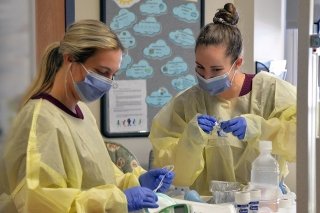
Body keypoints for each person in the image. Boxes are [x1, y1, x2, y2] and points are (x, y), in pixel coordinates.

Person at [0, 19, 174, 212]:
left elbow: (99, 175)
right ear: (69, 59)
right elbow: (40, 201)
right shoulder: (39, 119)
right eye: (101, 72)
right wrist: (116, 201)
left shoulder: (82, 113)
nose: (107, 83)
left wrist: (135, 182)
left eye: (112, 75)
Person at [149, 3, 296, 195]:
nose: (207, 77)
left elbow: (303, 139)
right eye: (200, 68)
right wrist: (190, 141)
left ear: (238, 63)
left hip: (263, 203)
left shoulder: (272, 92)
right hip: (208, 205)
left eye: (216, 70)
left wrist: (261, 129)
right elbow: (173, 173)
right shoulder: (186, 103)